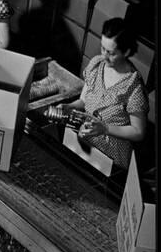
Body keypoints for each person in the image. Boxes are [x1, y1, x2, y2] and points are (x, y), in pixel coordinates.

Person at [58, 18, 149, 169]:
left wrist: (105, 128)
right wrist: (69, 107)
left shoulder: (134, 87)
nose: (104, 56)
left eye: (111, 53)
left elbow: (138, 132)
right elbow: (84, 101)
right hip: (84, 143)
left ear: (126, 52)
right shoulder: (96, 64)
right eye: (102, 49)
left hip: (111, 156)